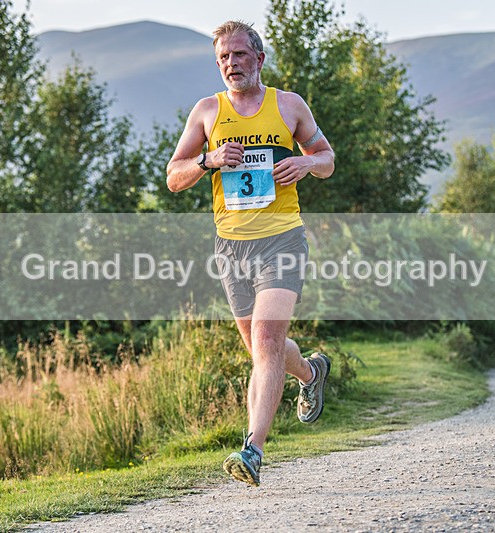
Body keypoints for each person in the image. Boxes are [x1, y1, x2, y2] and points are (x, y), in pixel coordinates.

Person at [166, 20, 336, 487]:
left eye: (239, 54)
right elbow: (174, 176)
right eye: (223, 57)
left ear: (258, 59)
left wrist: (305, 162)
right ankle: (310, 372)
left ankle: (253, 450)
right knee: (264, 349)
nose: (231, 64)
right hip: (231, 245)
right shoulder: (207, 112)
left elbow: (327, 159)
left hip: (282, 238)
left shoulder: (289, 105)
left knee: (265, 339)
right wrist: (208, 160)